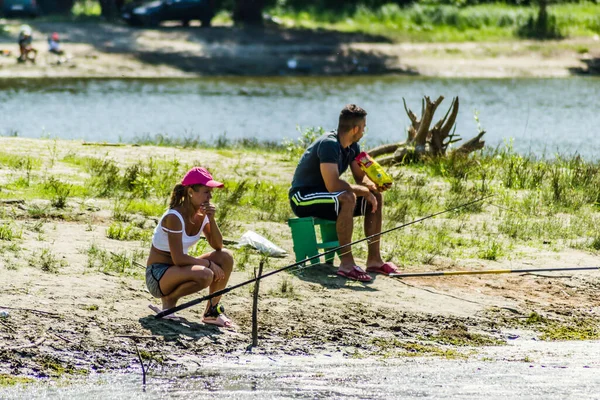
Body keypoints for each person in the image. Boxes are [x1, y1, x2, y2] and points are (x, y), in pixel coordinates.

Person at [288, 104, 400, 282]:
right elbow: (333, 185)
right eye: (363, 127)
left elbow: (360, 179)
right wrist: (363, 190)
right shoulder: (329, 144)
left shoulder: (353, 146)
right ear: (355, 129)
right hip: (302, 197)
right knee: (348, 197)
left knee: (375, 197)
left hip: (328, 196)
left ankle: (374, 260)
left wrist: (373, 186)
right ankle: (347, 264)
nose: (364, 131)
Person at [146, 167, 234, 327]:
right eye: (206, 192)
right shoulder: (174, 217)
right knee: (206, 274)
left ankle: (212, 312)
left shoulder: (202, 214)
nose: (210, 196)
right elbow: (178, 259)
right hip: (158, 276)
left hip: (178, 270)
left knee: (225, 257)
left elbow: (218, 245)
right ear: (190, 192)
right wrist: (209, 264)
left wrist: (212, 219)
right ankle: (169, 301)